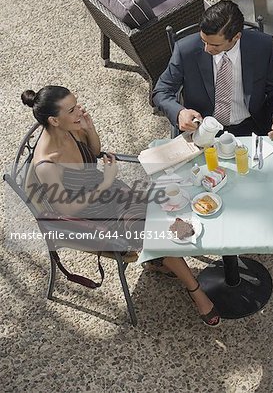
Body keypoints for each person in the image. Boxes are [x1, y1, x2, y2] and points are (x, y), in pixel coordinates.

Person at [21, 85, 221, 327]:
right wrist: (105, 182)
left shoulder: (71, 129)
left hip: (112, 193)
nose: (80, 111)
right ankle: (195, 290)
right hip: (92, 218)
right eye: (72, 109)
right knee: (156, 232)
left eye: (77, 104)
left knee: (167, 208)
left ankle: (158, 259)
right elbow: (66, 210)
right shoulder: (46, 164)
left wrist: (89, 128)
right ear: (53, 120)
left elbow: (93, 152)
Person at [152, 0, 273, 139]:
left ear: (236, 37)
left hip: (253, 127)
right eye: (203, 41)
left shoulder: (263, 46)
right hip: (202, 129)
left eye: (214, 45)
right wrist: (179, 113)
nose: (206, 48)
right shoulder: (185, 50)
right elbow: (161, 91)